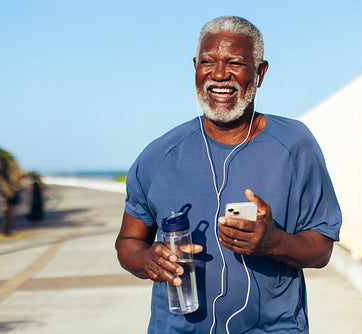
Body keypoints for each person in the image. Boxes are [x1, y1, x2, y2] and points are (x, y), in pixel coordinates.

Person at [115, 16, 342, 333]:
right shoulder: (158, 156)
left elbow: (321, 249)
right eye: (208, 62)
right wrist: (148, 260)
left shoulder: (295, 145)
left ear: (260, 73)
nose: (219, 74)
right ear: (195, 68)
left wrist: (274, 242)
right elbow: (128, 243)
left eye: (234, 63)